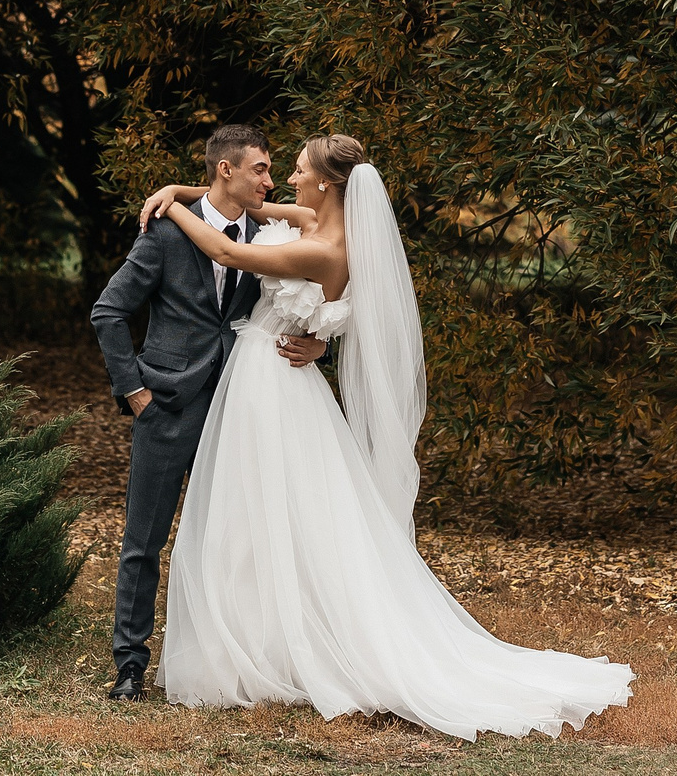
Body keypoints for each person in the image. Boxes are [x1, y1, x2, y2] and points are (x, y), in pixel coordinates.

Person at [133, 133, 632, 741]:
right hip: (269, 377)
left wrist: (167, 205)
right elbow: (252, 209)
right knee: (256, 516)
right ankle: (264, 642)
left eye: (296, 170)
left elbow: (227, 252)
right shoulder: (312, 219)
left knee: (274, 512)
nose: (287, 179)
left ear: (325, 182)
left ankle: (289, 648)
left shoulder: (326, 248)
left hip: (271, 383)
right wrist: (180, 189)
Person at [89, 123, 325, 702]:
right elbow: (108, 312)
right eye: (261, 170)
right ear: (226, 170)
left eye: (274, 170)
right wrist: (135, 391)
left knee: (234, 541)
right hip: (166, 403)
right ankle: (129, 665)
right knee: (144, 539)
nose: (271, 181)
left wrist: (321, 344)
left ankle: (223, 660)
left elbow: (317, 292)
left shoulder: (268, 235)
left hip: (240, 407)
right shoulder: (165, 235)